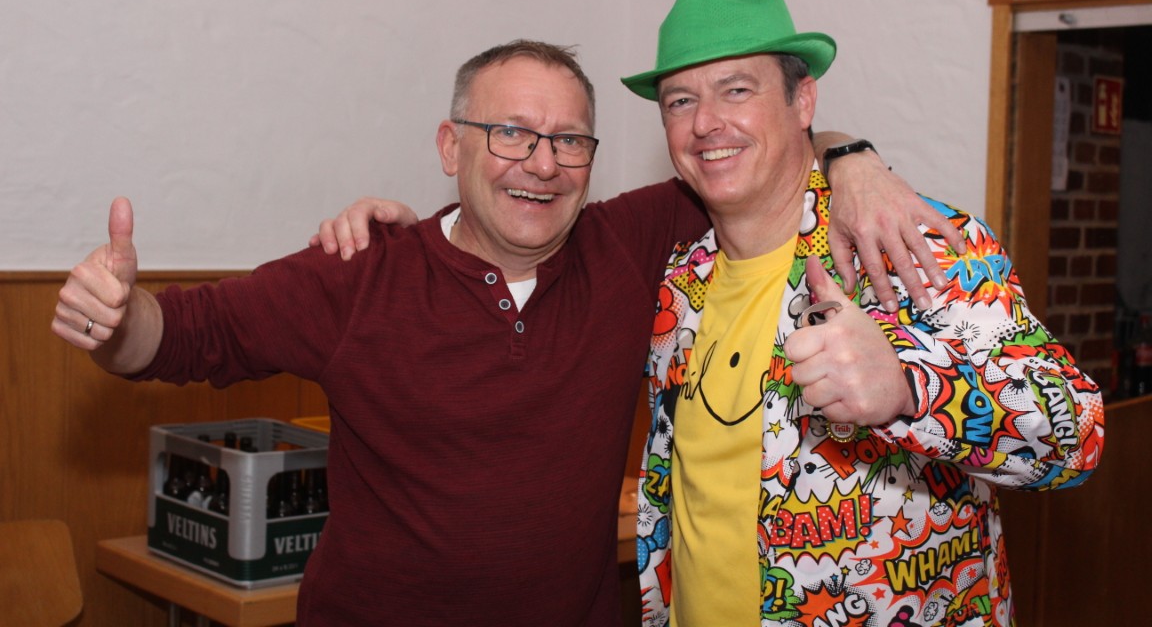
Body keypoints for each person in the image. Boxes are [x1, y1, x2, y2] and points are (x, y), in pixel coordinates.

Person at [54, 40, 955, 626]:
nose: (542, 163)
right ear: (451, 147)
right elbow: (183, 338)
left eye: (570, 141)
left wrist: (853, 159)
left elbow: (752, 150)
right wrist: (118, 316)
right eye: (510, 134)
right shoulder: (360, 271)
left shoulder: (631, 243)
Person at [611, 0, 1104, 627]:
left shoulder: (913, 246)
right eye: (680, 101)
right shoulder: (679, 284)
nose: (705, 123)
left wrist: (909, 391)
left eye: (737, 89)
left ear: (803, 100)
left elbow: (1078, 437)